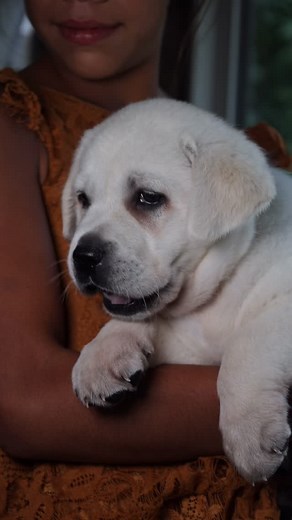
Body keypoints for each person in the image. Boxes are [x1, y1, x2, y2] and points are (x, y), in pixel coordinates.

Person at [0, 0, 290, 518]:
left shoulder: (236, 160)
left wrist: (252, 375)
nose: (80, 0)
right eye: (84, 202)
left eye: (148, 200)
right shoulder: (15, 130)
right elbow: (22, 405)